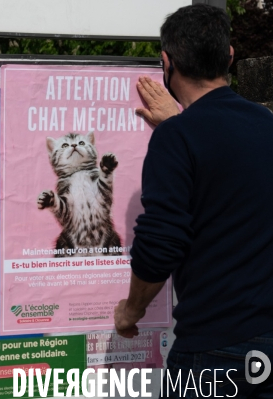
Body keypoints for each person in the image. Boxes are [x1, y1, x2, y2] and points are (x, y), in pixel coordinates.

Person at [114, 4, 273, 397]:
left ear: (166, 62)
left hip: (216, 351)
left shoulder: (178, 138)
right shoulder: (267, 124)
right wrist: (179, 124)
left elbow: (160, 242)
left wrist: (130, 310)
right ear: (230, 56)